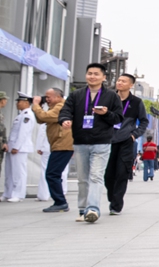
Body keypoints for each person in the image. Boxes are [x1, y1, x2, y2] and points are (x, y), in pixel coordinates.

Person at [59, 63, 122, 223]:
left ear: (103, 77)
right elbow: (66, 110)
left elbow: (118, 118)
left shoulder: (111, 96)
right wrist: (65, 120)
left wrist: (106, 113)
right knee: (82, 178)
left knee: (96, 176)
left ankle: (93, 208)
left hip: (102, 142)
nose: (92, 76)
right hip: (80, 141)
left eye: (96, 74)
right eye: (89, 73)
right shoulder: (76, 95)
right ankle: (82, 209)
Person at [103, 73, 147, 216]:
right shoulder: (108, 99)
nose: (119, 83)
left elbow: (143, 121)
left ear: (131, 85)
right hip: (108, 140)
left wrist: (134, 135)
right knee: (108, 175)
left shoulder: (136, 102)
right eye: (118, 80)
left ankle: (116, 205)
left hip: (126, 142)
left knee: (122, 173)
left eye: (123, 81)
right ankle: (112, 198)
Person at [33, 88, 73, 213]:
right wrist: (38, 106)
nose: (47, 99)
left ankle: (60, 202)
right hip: (58, 145)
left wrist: (35, 105)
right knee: (54, 173)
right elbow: (41, 119)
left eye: (49, 97)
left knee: (52, 174)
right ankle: (60, 201)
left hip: (63, 145)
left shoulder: (61, 107)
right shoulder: (56, 107)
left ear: (58, 97)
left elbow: (44, 116)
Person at [3, 94, 36, 201]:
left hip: (19, 148)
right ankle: (8, 193)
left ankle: (18, 194)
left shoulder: (28, 115)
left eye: (19, 101)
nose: (17, 103)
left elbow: (23, 133)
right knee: (9, 172)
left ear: (26, 103)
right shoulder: (21, 115)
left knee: (18, 172)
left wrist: (16, 147)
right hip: (12, 147)